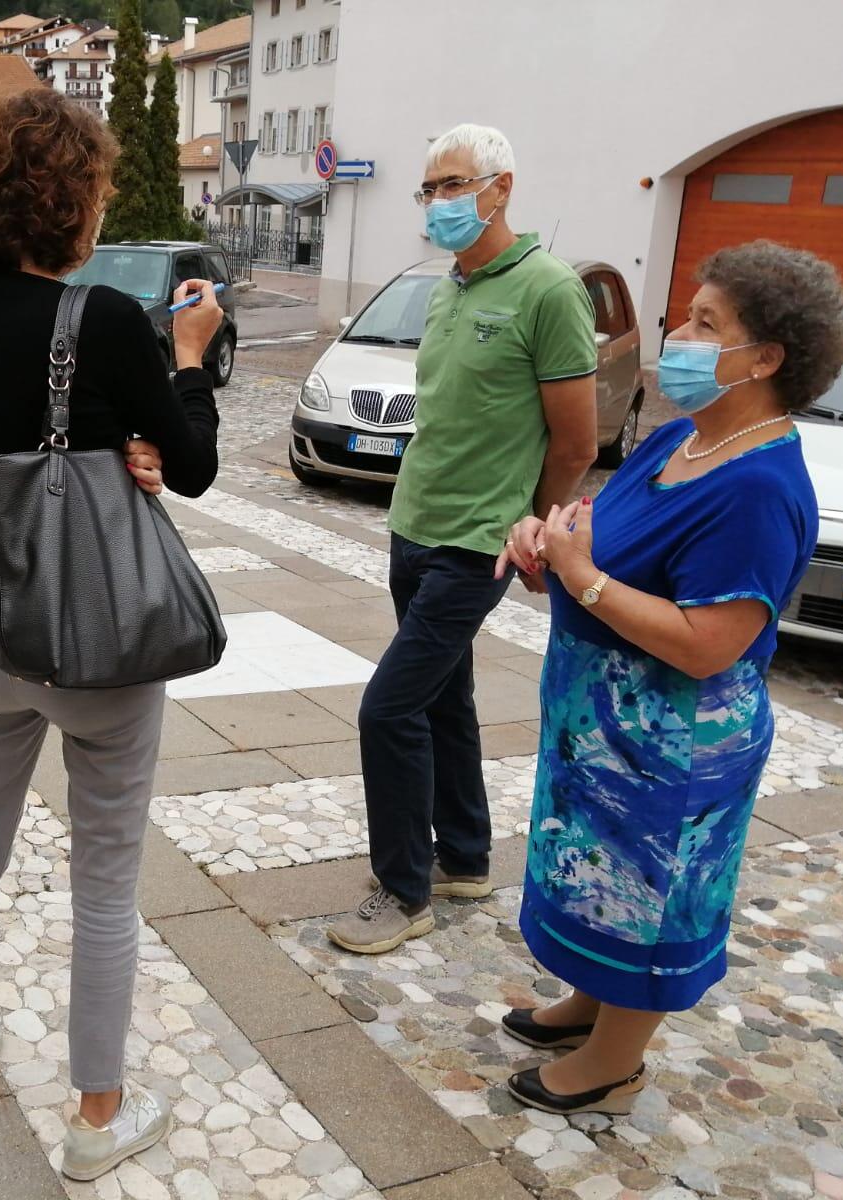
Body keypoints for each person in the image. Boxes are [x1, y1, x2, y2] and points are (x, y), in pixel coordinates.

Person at [0, 87, 223, 1181]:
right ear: (74, 200)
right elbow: (187, 462)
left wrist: (105, 447)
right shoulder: (97, 320)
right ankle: (97, 1116)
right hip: (97, 634)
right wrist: (187, 356)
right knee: (103, 875)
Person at [496, 241, 843, 1115]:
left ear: (766, 358)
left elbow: (708, 643)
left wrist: (582, 578)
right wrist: (548, 547)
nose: (678, 332)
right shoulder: (684, 440)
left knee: (648, 902)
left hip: (673, 748)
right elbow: (605, 546)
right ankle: (587, 1006)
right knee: (592, 881)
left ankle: (614, 1066)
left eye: (705, 322)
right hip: (602, 728)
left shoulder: (757, 485)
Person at [325, 123, 600, 956]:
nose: (438, 202)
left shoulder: (549, 290)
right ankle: (466, 857)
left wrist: (534, 538)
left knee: (389, 707)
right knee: (445, 696)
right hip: (415, 525)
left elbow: (577, 443)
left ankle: (404, 890)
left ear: (500, 188)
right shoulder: (450, 286)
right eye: (431, 188)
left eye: (453, 185)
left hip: (478, 540)